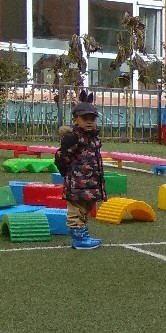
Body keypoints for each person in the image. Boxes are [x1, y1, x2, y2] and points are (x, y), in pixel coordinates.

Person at [54, 96, 107, 250]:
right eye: (85, 119)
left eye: (92, 119)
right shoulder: (74, 138)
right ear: (75, 120)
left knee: (85, 210)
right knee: (76, 211)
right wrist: (67, 173)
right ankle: (79, 239)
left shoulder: (93, 138)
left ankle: (83, 234)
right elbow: (60, 156)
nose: (89, 122)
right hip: (76, 183)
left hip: (92, 182)